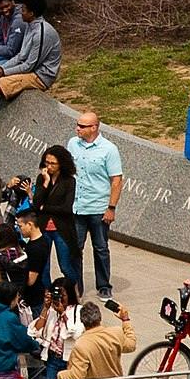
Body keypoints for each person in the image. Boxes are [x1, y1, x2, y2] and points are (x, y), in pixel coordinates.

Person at [62, 110, 125, 302]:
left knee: (100, 248)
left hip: (98, 207)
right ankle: (76, 286)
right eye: (78, 125)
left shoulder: (109, 149)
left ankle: (104, 286)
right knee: (75, 249)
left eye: (82, 126)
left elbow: (116, 180)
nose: (77, 129)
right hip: (77, 207)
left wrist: (111, 207)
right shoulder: (73, 144)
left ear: (94, 127)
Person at [61, 301, 137, 379]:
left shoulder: (81, 344)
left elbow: (77, 376)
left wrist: (61, 375)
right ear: (100, 317)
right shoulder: (115, 333)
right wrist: (125, 320)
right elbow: (131, 345)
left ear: (82, 321)